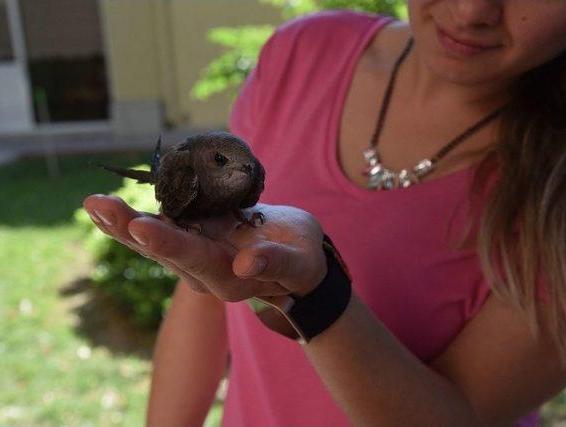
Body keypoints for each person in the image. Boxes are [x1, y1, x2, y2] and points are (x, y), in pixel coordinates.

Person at [84, 1, 566, 425]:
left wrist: (317, 295)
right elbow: (205, 295)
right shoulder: (306, 54)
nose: (472, 10)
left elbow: (463, 415)